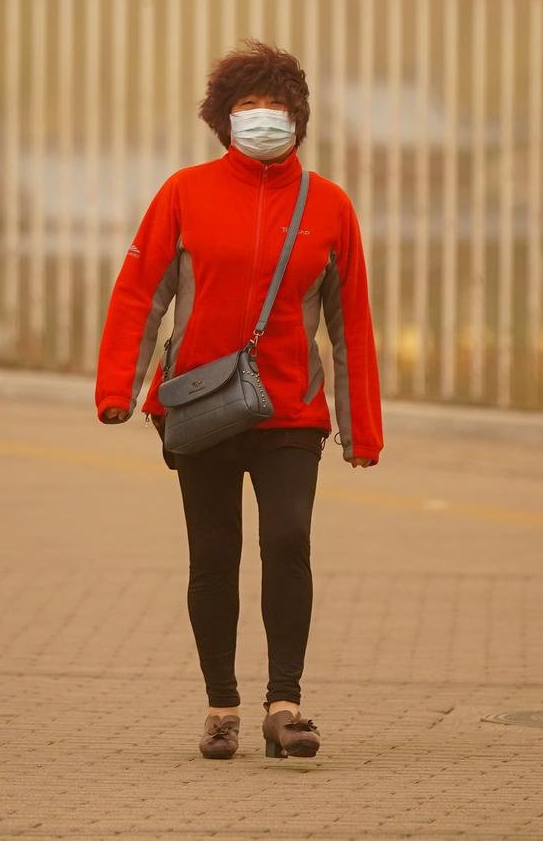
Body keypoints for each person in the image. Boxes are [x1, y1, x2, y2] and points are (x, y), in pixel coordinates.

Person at [95, 40, 383, 761]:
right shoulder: (183, 193)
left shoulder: (330, 207)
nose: (262, 119)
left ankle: (283, 703)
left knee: (288, 542)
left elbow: (352, 326)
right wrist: (117, 389)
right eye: (247, 106)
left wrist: (361, 428)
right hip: (201, 409)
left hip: (291, 410)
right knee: (212, 555)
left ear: (300, 119)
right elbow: (141, 295)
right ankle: (221, 704)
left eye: (276, 107)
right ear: (223, 120)